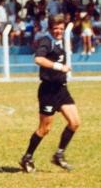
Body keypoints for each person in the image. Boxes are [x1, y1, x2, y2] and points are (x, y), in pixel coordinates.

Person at [20, 14, 79, 173]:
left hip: (61, 89)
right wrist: (60, 67)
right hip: (48, 91)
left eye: (61, 28)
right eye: (56, 28)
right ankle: (27, 157)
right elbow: (38, 59)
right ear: (50, 28)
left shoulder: (61, 41)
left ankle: (58, 155)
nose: (59, 31)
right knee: (45, 128)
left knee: (74, 122)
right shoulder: (46, 42)